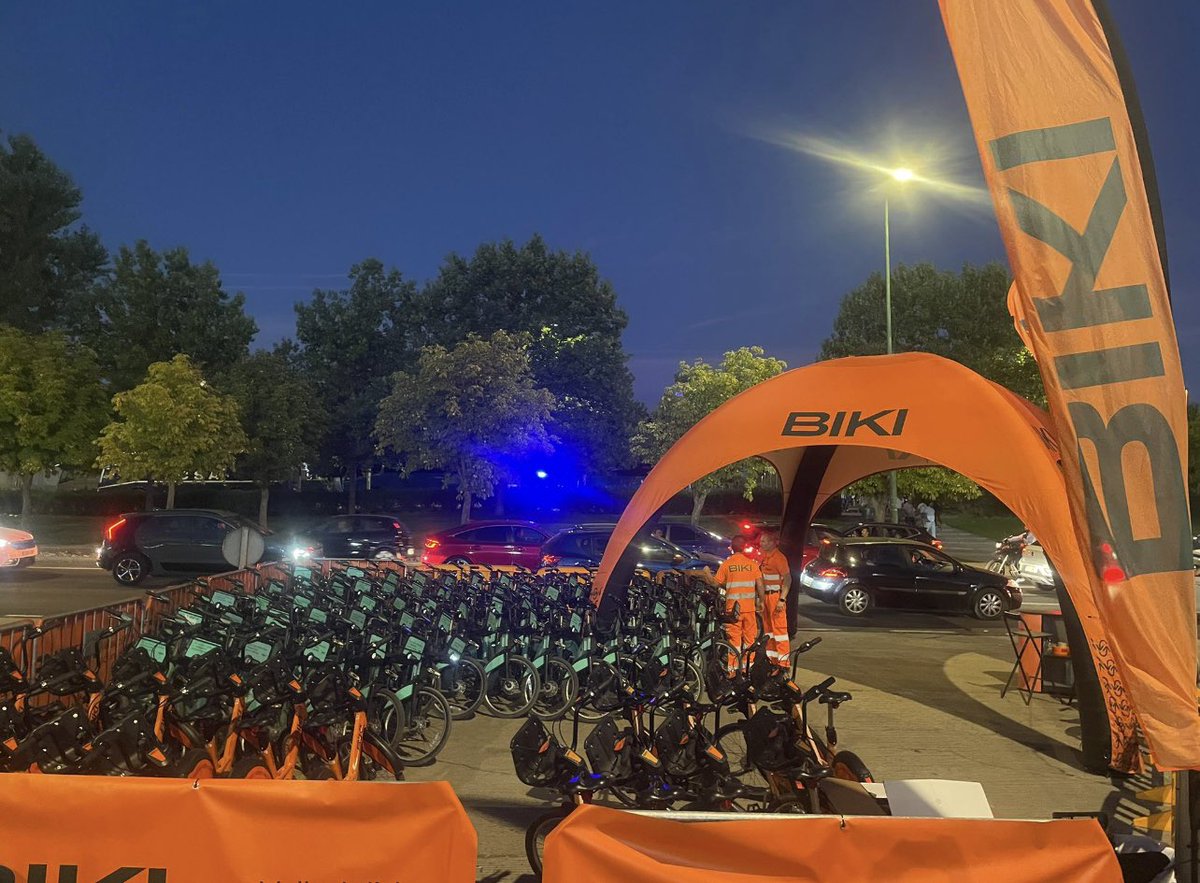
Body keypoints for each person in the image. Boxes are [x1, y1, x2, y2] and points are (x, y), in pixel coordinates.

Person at [714, 535, 764, 674]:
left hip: (733, 610)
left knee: (734, 639)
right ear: (744, 548)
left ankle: (733, 669)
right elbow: (760, 584)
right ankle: (748, 667)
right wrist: (761, 601)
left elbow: (716, 582)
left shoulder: (727, 564)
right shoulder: (752, 564)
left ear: (731, 547)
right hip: (749, 608)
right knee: (749, 639)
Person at [757, 530, 791, 669]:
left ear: (772, 542)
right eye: (761, 541)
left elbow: (788, 579)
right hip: (767, 597)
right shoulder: (766, 557)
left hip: (775, 597)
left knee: (780, 631)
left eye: (764, 541)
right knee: (769, 631)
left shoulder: (779, 558)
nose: (761, 543)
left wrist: (782, 599)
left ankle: (783, 663)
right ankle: (772, 661)